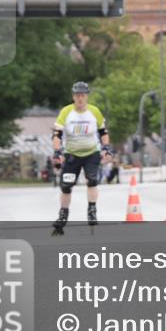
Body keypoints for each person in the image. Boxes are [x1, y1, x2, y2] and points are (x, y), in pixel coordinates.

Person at [51, 82, 114, 232]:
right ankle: (63, 214)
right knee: (66, 186)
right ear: (73, 97)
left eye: (83, 95)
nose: (80, 98)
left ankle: (92, 210)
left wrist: (106, 147)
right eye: (77, 95)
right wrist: (57, 151)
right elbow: (57, 134)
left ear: (87, 97)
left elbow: (103, 132)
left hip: (91, 153)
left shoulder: (94, 111)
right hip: (71, 154)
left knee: (92, 180)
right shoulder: (66, 112)